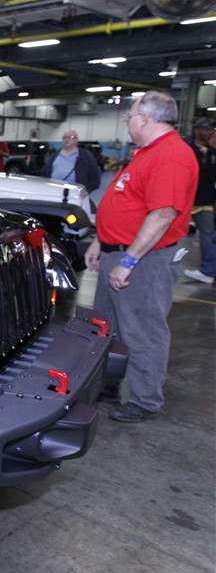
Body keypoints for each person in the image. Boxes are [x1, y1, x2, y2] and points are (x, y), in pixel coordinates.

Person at [84, 91, 199, 423]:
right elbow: (125, 203)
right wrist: (100, 242)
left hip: (142, 262)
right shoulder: (147, 153)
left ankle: (145, 400)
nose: (128, 122)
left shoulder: (171, 155)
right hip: (117, 254)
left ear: (146, 119)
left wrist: (129, 261)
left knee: (142, 331)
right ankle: (109, 385)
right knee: (108, 329)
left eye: (130, 117)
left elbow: (162, 215)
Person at [183, 117, 216, 284]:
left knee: (208, 236)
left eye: (211, 129)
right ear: (197, 130)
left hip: (206, 202)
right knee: (167, 232)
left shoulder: (212, 152)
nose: (210, 132)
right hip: (184, 201)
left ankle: (207, 270)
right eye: (206, 129)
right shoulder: (186, 148)